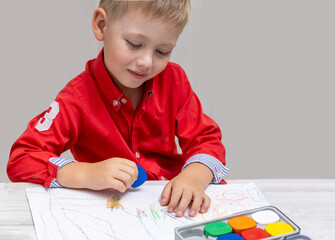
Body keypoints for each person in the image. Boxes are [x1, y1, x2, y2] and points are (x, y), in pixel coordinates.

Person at [7, 0, 228, 218]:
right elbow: (22, 158)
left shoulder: (174, 80)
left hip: (170, 210)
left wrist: (193, 178)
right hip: (108, 214)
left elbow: (206, 139)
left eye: (162, 51)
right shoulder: (77, 98)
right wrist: (85, 174)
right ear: (102, 25)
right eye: (134, 44)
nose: (146, 62)